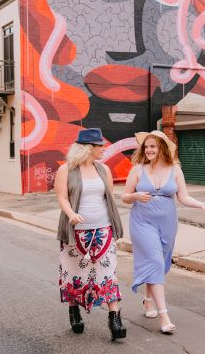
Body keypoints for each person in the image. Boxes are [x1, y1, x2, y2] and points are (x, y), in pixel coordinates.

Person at [122, 130, 205, 333]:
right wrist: (136, 196)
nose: (148, 150)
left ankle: (148, 300)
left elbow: (183, 197)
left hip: (167, 224)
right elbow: (124, 197)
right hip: (142, 222)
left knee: (157, 263)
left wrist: (201, 205)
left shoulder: (175, 170)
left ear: (162, 148)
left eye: (152, 146)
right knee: (155, 261)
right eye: (146, 146)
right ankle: (164, 316)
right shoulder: (138, 170)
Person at [54, 127, 126, 340]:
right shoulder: (66, 170)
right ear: (88, 148)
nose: (103, 149)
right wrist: (71, 214)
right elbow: (62, 198)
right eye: (99, 146)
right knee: (74, 273)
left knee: (108, 274)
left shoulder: (104, 169)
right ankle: (74, 310)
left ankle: (114, 318)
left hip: (103, 230)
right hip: (75, 231)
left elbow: (109, 197)